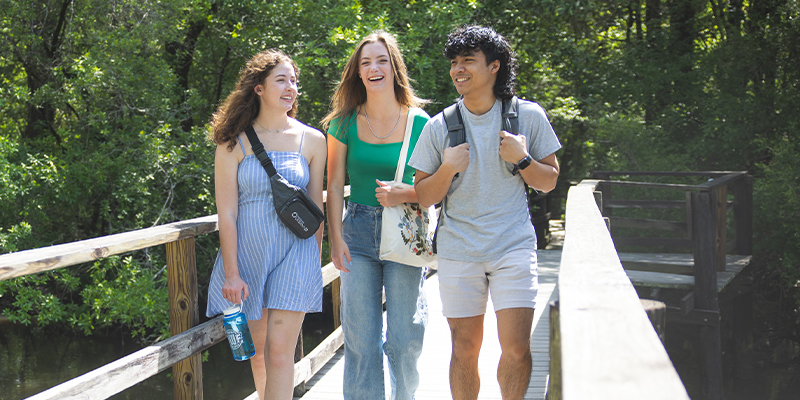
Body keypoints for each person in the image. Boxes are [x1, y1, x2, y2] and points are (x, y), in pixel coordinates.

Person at [409, 25, 562, 400]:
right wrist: (447, 168)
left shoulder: (527, 115)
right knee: (464, 349)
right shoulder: (439, 126)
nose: (458, 69)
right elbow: (424, 196)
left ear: (494, 66)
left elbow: (550, 180)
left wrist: (522, 158)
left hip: (513, 245)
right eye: (454, 62)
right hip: (459, 249)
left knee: (516, 348)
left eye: (468, 61)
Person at [205, 49, 327, 400]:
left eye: (295, 81)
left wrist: (312, 264)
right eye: (282, 80)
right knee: (256, 355)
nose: (292, 88)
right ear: (258, 88)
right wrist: (231, 273)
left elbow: (315, 207)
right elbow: (226, 213)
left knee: (278, 353)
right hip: (247, 259)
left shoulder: (313, 140)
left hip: (296, 254)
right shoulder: (233, 142)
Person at [321, 30, 430, 400]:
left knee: (403, 338)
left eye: (381, 60)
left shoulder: (421, 123)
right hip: (357, 233)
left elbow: (436, 189)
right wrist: (335, 240)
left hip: (404, 230)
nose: (374, 68)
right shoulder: (344, 122)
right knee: (361, 339)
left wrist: (408, 193)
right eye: (365, 62)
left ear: (394, 67)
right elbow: (334, 186)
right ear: (357, 72)